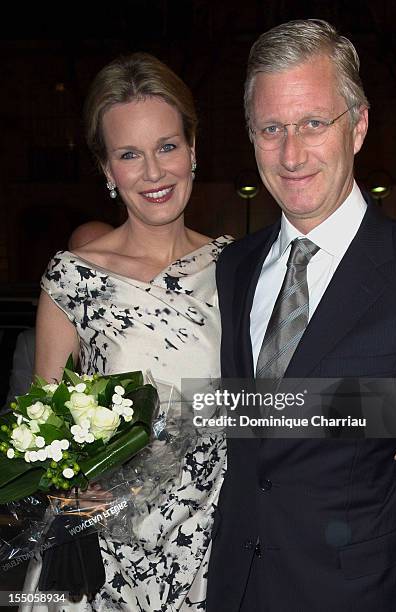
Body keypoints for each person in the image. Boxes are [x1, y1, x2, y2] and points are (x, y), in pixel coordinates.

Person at [206, 19, 396, 612]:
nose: (291, 153)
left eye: (313, 123)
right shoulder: (233, 267)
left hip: (363, 592)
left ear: (357, 126)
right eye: (271, 128)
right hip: (236, 585)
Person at [21, 52, 231, 611]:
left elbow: (284, 398)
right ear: (106, 170)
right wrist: (66, 489)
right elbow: (40, 429)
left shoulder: (239, 269)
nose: (154, 173)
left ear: (193, 148)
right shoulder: (74, 278)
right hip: (110, 552)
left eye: (167, 146)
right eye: (129, 155)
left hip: (214, 545)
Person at [4, 222, 114, 410]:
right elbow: (15, 413)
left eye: (106, 260)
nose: (93, 275)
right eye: (82, 264)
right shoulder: (31, 344)